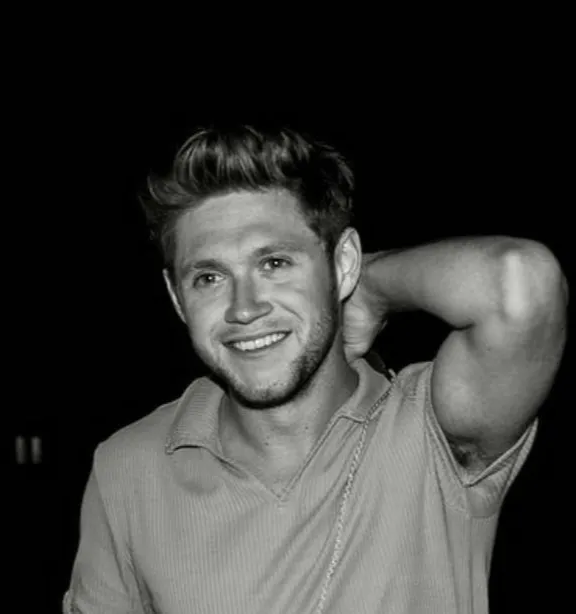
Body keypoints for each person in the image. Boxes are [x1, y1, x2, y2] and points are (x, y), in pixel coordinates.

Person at [63, 125, 568, 614]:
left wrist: (371, 289)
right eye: (210, 277)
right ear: (177, 298)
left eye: (274, 264)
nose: (244, 308)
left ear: (342, 262)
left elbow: (522, 281)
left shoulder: (431, 431)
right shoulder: (128, 466)